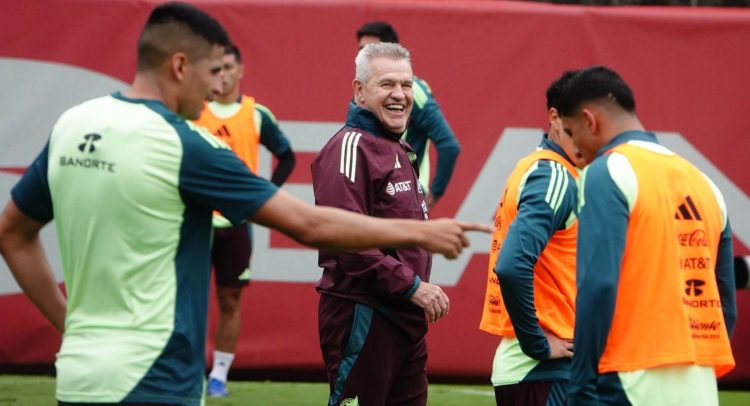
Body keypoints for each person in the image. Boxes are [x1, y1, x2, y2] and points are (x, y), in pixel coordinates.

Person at [0, 3, 489, 405]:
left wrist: (72, 328)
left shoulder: (74, 124)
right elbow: (311, 226)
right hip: (155, 378)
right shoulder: (187, 146)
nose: (219, 89)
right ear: (180, 67)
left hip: (80, 376)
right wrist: (422, 232)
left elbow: (12, 233)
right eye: (213, 72)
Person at [557, 66, 736, 405]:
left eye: (570, 131)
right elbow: (725, 302)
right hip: (699, 384)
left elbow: (598, 286)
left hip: (628, 380)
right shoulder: (706, 184)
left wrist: (580, 387)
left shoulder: (605, 172)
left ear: (589, 120)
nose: (575, 150)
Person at [312, 42, 448, 406]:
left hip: (406, 318)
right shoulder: (350, 147)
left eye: (406, 85)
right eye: (387, 84)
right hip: (364, 313)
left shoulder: (398, 147)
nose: (400, 94)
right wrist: (413, 286)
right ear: (359, 91)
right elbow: (346, 241)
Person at [192, 43, 296, 397]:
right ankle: (189, 369)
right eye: (216, 68)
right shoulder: (195, 109)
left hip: (236, 225)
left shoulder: (255, 114)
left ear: (240, 71)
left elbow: (287, 156)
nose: (222, 75)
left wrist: (262, 197)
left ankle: (219, 376)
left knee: (230, 300)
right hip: (197, 223)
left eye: (228, 68)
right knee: (188, 299)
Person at [478, 70, 585, 406]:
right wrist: (537, 344)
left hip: (541, 369)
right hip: (543, 368)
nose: (590, 133)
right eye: (580, 121)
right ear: (554, 117)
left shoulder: (541, 168)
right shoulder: (554, 175)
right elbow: (511, 266)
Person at [352, 21, 460, 211]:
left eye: (370, 49)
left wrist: (433, 196)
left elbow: (449, 145)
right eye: (361, 49)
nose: (362, 56)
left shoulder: (414, 92)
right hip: (371, 197)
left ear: (390, 51)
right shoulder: (363, 90)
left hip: (406, 198)